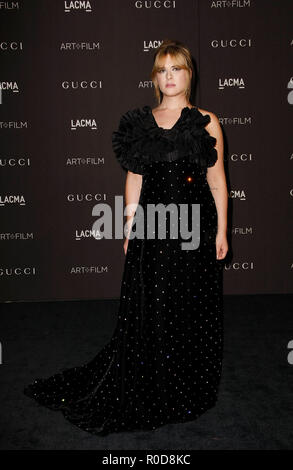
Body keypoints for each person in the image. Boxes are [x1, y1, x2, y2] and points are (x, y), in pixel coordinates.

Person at [23, 39, 229, 436]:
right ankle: (153, 380)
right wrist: (129, 225)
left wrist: (221, 230)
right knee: (152, 304)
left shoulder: (206, 120)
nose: (169, 77)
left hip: (195, 228)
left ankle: (188, 385)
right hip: (153, 228)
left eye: (177, 69)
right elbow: (133, 180)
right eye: (162, 70)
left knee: (192, 306)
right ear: (155, 77)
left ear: (189, 74)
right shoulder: (140, 123)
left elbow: (217, 182)